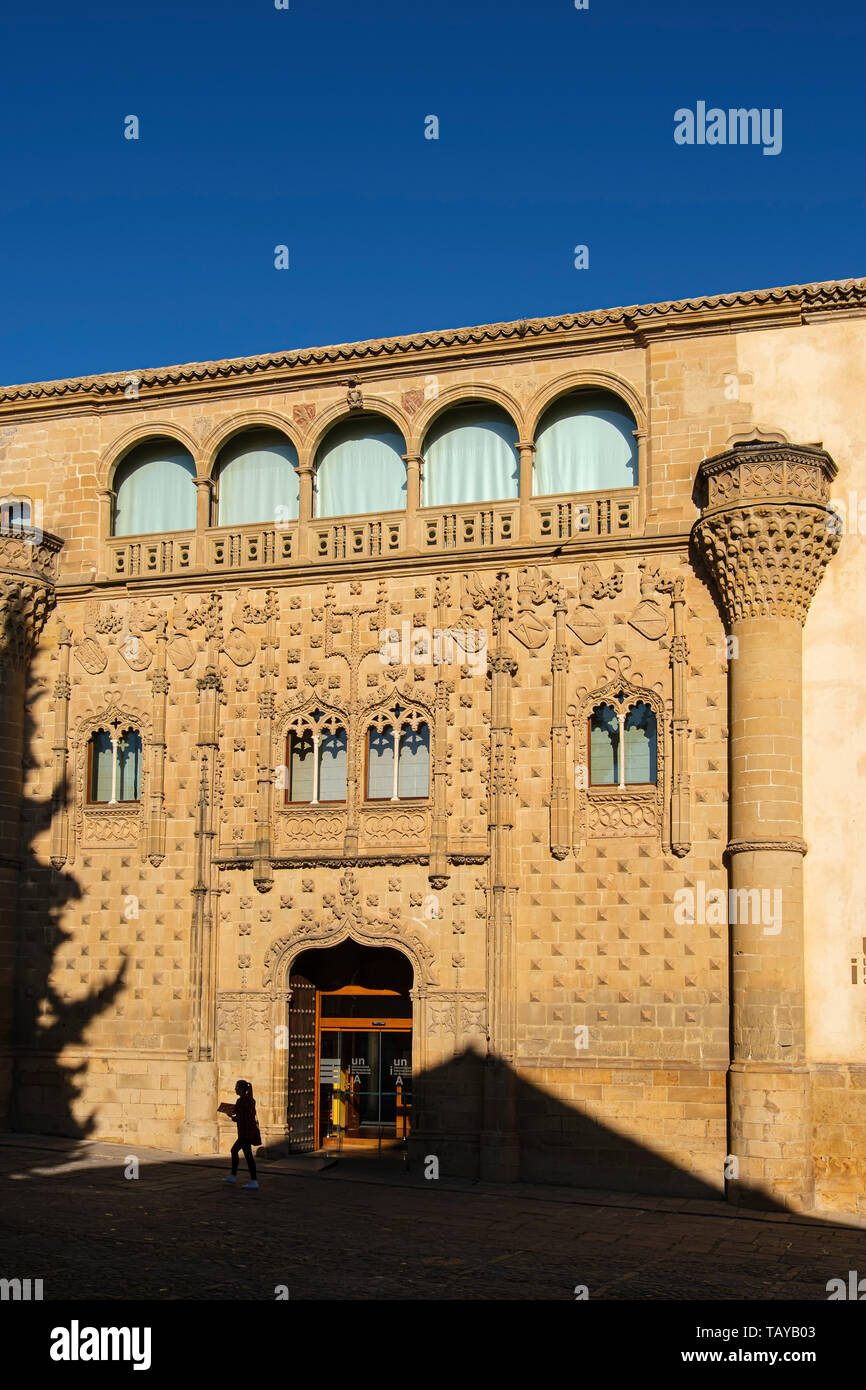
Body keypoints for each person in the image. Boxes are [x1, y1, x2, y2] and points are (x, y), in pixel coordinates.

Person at [220, 1079, 260, 1190]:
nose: (235, 1089)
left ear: (241, 1089)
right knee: (246, 1155)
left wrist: (231, 1116)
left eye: (237, 1087)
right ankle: (239, 1177)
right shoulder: (251, 1100)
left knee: (237, 1152)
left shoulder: (241, 1101)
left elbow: (239, 1116)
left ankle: (251, 1180)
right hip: (249, 1132)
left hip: (245, 1133)